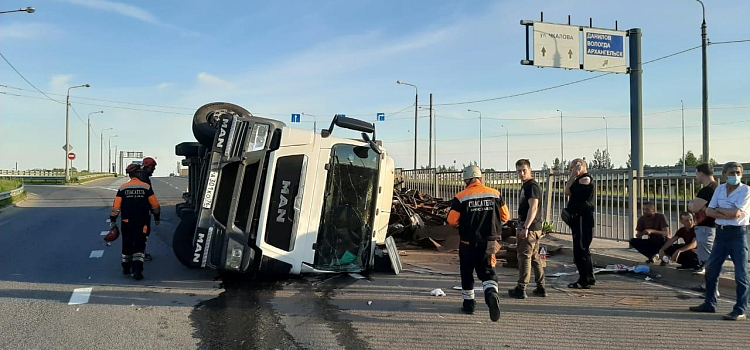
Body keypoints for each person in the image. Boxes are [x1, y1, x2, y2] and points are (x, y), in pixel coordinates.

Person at [447, 165, 510, 322]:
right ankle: (491, 294)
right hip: (489, 242)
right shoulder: (495, 194)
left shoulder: (461, 196)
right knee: (488, 271)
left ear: (466, 181)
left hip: (468, 242)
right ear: (481, 179)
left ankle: (469, 304)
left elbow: (452, 220)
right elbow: (505, 216)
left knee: (467, 272)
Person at [690, 162, 750, 321]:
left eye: (738, 173)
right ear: (724, 174)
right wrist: (725, 214)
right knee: (711, 269)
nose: (735, 176)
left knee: (741, 274)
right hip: (721, 234)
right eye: (731, 173)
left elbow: (736, 213)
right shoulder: (720, 189)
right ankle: (710, 303)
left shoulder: (745, 190)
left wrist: (719, 212)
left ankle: (740, 309)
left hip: (738, 234)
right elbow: (708, 210)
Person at [110, 164, 161, 280]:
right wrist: (157, 217)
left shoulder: (122, 188)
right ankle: (137, 271)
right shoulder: (146, 187)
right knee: (139, 244)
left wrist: (113, 220)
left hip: (126, 221)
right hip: (142, 222)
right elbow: (155, 205)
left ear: (129, 174)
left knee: (127, 244)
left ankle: (126, 268)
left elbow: (116, 207)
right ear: (139, 173)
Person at [508, 159, 546, 299]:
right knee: (535, 257)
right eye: (519, 171)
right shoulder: (527, 186)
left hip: (530, 227)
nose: (522, 173)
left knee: (524, 257)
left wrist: (525, 227)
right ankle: (541, 286)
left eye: (524, 170)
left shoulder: (532, 186)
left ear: (530, 170)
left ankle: (521, 288)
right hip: (533, 227)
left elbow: (533, 207)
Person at [564, 158, 596, 289]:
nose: (572, 170)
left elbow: (568, 190)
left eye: (573, 167)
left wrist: (573, 175)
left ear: (580, 166)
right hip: (577, 219)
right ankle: (587, 277)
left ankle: (585, 279)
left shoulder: (585, 179)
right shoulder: (579, 179)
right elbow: (567, 190)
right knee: (579, 250)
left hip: (583, 218)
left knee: (581, 249)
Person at [689, 163, 718, 274]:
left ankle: (711, 287)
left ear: (701, 173)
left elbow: (694, 207)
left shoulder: (706, 190)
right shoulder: (717, 187)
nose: (696, 176)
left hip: (706, 226)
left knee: (707, 256)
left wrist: (692, 203)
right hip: (713, 225)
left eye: (696, 173)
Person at [140, 157, 157, 261]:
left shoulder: (137, 177)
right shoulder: (145, 179)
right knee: (144, 232)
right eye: (153, 168)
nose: (153, 170)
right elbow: (150, 196)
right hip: (143, 210)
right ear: (148, 167)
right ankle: (142, 253)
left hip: (131, 210)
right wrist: (155, 211)